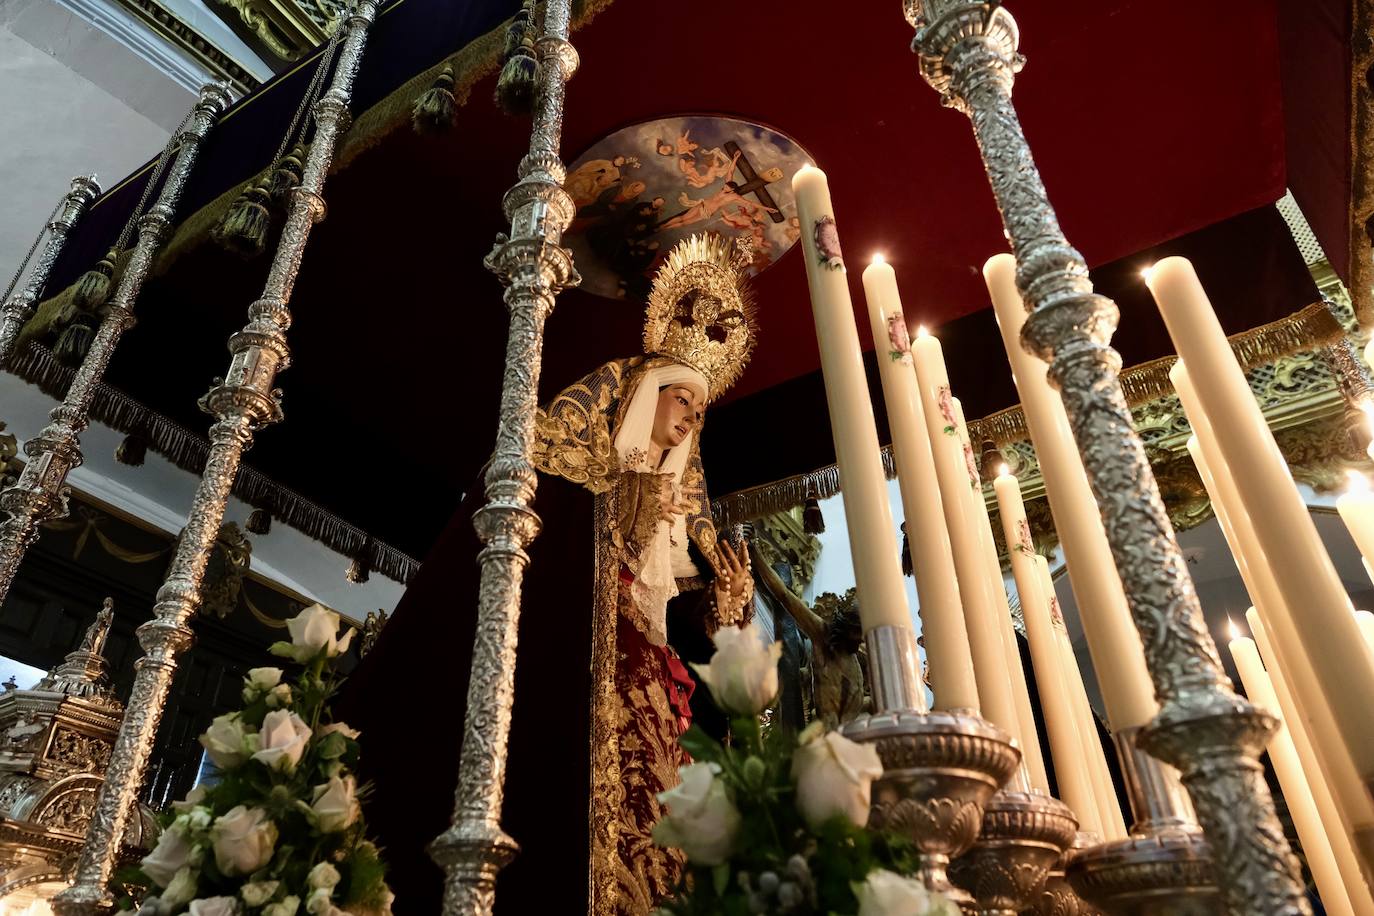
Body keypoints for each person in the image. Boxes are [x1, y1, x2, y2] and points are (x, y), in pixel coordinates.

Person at [338, 233, 758, 916]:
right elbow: (540, 554)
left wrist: (719, 610)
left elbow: (665, 605)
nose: (689, 422)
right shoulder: (570, 480)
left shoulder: (668, 509)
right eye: (682, 400)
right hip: (574, 662)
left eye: (700, 412)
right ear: (644, 391)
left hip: (644, 683)